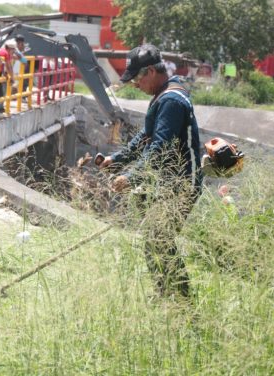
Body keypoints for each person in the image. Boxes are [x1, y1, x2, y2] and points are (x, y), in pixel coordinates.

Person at [98, 44, 203, 297]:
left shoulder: (171, 101)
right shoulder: (165, 93)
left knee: (159, 239)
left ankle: (181, 301)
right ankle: (167, 295)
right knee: (155, 239)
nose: (134, 84)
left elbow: (159, 148)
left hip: (181, 184)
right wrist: (117, 160)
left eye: (135, 78)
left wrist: (131, 177)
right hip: (169, 181)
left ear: (150, 72)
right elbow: (147, 136)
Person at [0, 39, 20, 113]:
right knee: (0, 92)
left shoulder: (1, 51)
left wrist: (5, 73)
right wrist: (12, 78)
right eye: (13, 50)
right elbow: (9, 67)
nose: (13, 52)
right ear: (9, 48)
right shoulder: (5, 53)